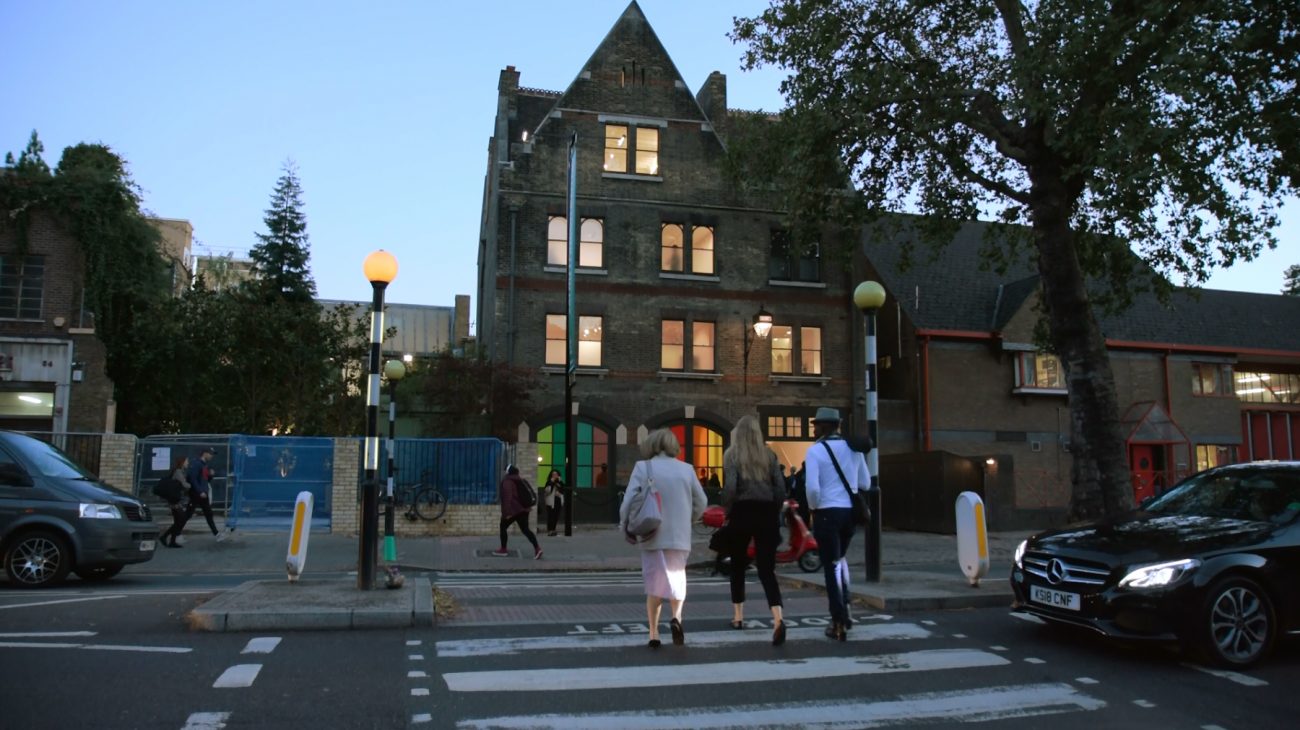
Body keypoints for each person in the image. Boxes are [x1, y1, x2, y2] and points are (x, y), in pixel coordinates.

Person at [619, 428, 707, 649]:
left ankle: (653, 632)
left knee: (654, 584)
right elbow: (702, 501)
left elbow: (628, 501)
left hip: (652, 533)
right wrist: (689, 517)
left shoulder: (643, 467)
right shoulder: (687, 469)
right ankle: (677, 617)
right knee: (677, 579)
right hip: (680, 536)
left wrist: (625, 526)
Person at [720, 415, 789, 646]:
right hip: (767, 512)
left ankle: (738, 617)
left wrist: (727, 510)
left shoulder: (732, 455)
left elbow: (730, 488)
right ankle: (778, 618)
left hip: (742, 511)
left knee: (737, 566)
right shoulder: (769, 455)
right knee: (767, 569)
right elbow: (780, 488)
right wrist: (775, 509)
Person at [804, 407, 870, 641]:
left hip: (826, 512)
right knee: (840, 560)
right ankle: (847, 609)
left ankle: (838, 620)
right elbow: (864, 481)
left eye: (816, 425)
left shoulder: (815, 452)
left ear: (824, 426)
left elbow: (812, 488)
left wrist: (813, 507)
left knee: (830, 568)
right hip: (849, 513)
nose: (814, 429)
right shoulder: (853, 449)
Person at [494, 465, 542, 559]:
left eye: (505, 471)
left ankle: (503, 549)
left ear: (508, 472)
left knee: (503, 526)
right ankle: (537, 548)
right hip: (524, 510)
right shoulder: (521, 480)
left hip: (514, 510)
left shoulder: (507, 482)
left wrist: (506, 514)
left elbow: (507, 498)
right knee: (526, 530)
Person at [184, 447, 226, 542]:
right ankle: (174, 533)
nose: (212, 456)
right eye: (210, 454)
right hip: (197, 493)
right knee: (188, 514)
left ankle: (217, 534)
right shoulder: (196, 464)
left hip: (203, 493)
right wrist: (200, 491)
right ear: (204, 453)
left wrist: (211, 475)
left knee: (208, 513)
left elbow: (205, 480)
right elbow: (193, 479)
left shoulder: (204, 465)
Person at [158, 456, 191, 548]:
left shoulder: (178, 471)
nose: (188, 463)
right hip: (174, 500)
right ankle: (164, 536)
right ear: (182, 462)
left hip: (175, 499)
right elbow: (185, 484)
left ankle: (172, 541)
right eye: (187, 461)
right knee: (181, 519)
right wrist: (191, 485)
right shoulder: (178, 472)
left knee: (178, 520)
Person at [542, 468, 566, 536]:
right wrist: (552, 482)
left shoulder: (560, 482)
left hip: (558, 501)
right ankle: (550, 530)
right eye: (553, 474)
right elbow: (547, 491)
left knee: (556, 516)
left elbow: (563, 490)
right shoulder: (549, 482)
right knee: (551, 516)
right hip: (550, 502)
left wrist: (560, 482)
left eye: (556, 474)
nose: (554, 475)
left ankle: (554, 529)